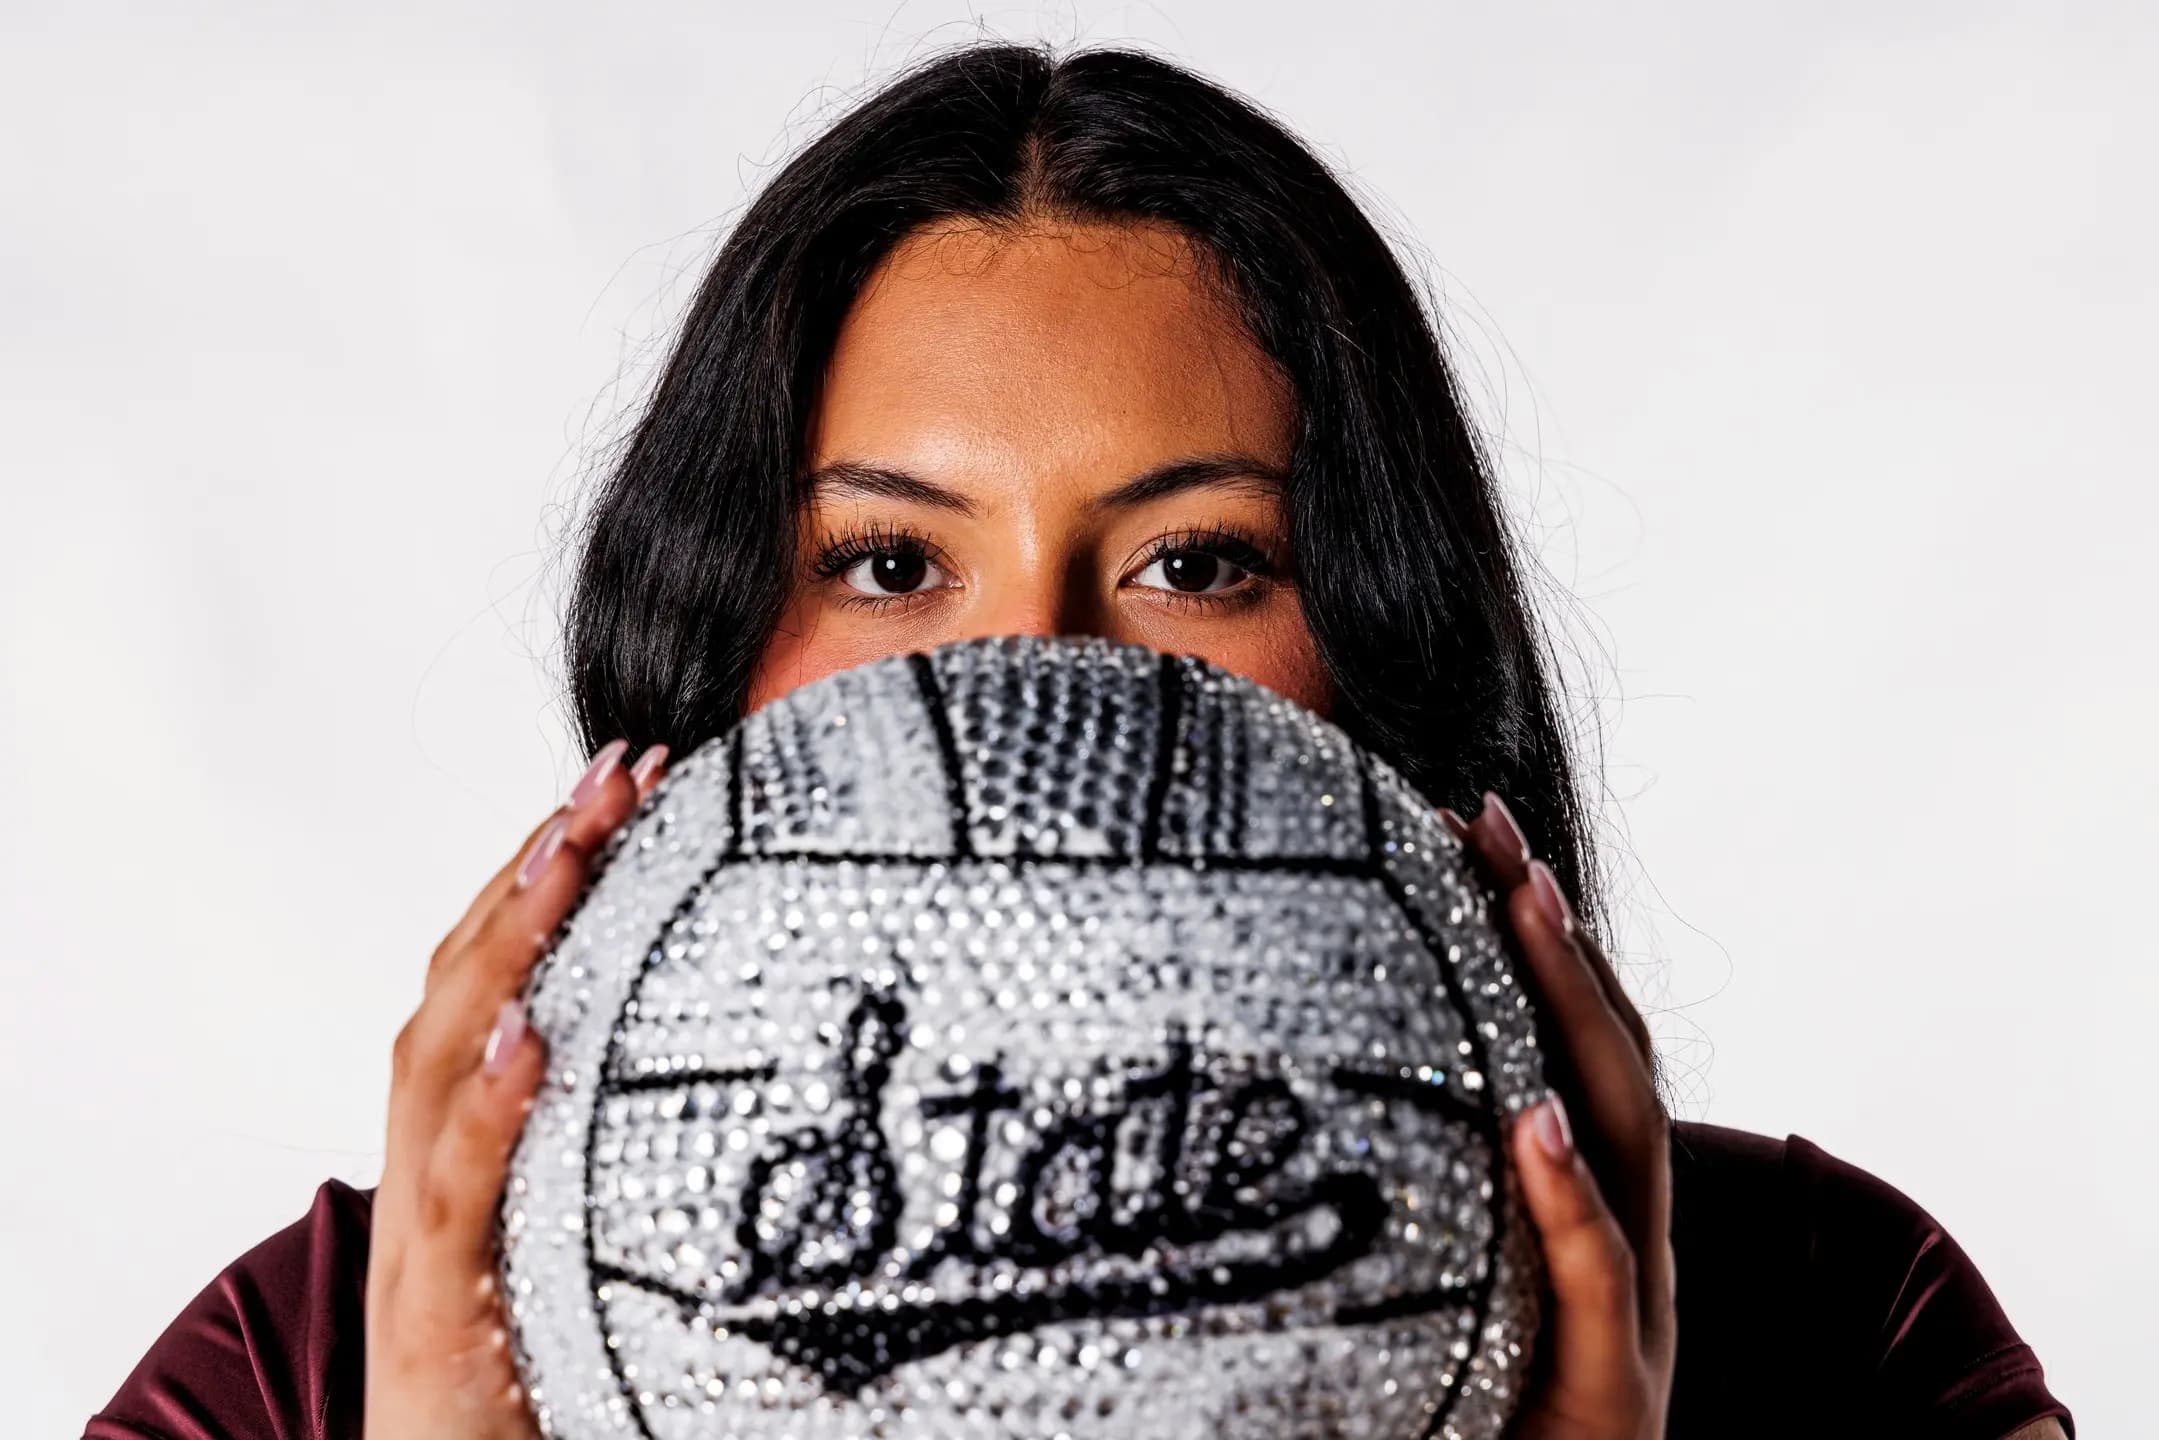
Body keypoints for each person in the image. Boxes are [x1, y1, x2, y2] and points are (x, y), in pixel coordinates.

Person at [84, 41, 2072, 1440]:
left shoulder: (1830, 1327)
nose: (1027, 678)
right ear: (703, 656)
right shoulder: (311, 1367)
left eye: (1196, 560)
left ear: (1385, 650)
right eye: (888, 565)